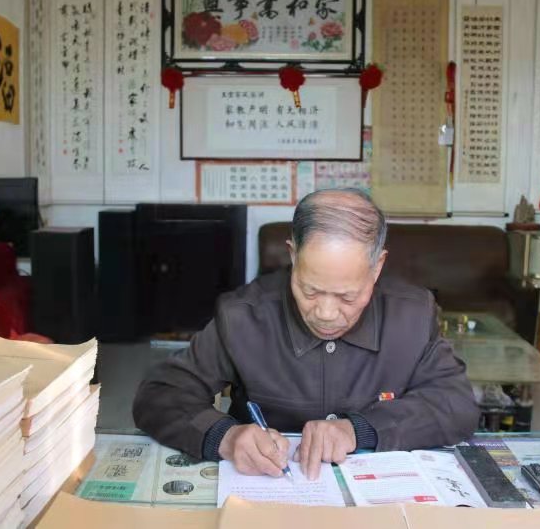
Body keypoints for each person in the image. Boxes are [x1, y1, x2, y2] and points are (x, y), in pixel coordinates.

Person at [133, 188, 479, 481]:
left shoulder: (411, 315)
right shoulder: (243, 316)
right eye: (310, 290)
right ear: (293, 254)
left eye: (347, 297)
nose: (326, 313)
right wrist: (225, 437)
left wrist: (359, 430)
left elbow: (456, 404)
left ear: (377, 267)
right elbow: (160, 395)